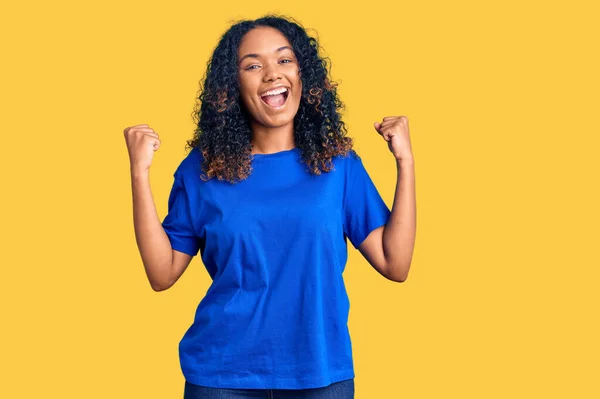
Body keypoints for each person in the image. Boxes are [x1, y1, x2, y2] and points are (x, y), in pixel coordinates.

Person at [124, 14, 416, 399]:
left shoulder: (338, 165)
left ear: (302, 74)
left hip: (321, 374)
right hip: (220, 376)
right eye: (252, 65)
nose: (271, 74)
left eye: (284, 60)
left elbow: (395, 264)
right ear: (232, 86)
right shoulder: (203, 169)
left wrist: (405, 163)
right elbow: (162, 274)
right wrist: (139, 174)